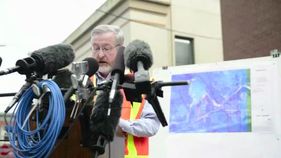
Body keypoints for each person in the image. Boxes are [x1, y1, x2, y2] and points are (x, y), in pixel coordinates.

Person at [90, 24, 160, 158]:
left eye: (106, 48)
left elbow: (152, 126)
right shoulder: (84, 82)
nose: (100, 54)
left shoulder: (138, 82)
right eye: (95, 48)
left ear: (121, 49)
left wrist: (118, 123)